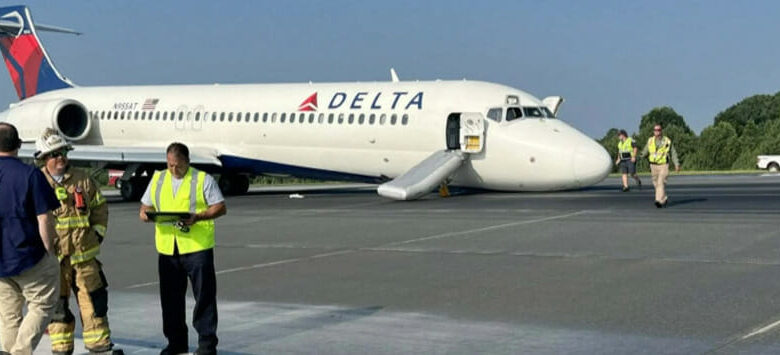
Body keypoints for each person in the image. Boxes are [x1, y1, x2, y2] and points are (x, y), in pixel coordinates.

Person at [34, 129, 121, 355]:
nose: (60, 157)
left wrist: (96, 235)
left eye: (63, 152)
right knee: (57, 306)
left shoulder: (83, 179)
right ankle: (61, 347)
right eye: (54, 154)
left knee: (94, 302)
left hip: (85, 259)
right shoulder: (36, 182)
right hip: (54, 260)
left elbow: (100, 209)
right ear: (44, 158)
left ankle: (99, 345)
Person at [139, 143, 227, 355]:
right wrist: (147, 214)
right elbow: (145, 206)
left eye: (177, 166)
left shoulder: (202, 179)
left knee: (204, 298)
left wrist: (198, 217)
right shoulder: (159, 178)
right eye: (170, 165)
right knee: (170, 301)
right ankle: (176, 343)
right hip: (168, 249)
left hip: (197, 248)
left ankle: (206, 346)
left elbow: (220, 207)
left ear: (187, 161)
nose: (173, 170)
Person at [0, 123, 60, 355]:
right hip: (28, 256)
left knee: (8, 313)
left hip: (2, 261)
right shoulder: (30, 175)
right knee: (43, 305)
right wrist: (49, 252)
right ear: (18, 145)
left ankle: (8, 350)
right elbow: (44, 219)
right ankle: (20, 352)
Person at [640, 124, 681, 208]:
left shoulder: (667, 141)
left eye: (658, 130)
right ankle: (664, 198)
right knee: (655, 183)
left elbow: (673, 153)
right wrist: (639, 157)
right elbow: (645, 151)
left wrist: (676, 164)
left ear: (661, 131)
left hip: (663, 165)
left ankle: (658, 200)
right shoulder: (650, 141)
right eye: (655, 130)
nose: (657, 131)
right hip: (653, 165)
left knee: (660, 183)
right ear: (653, 131)